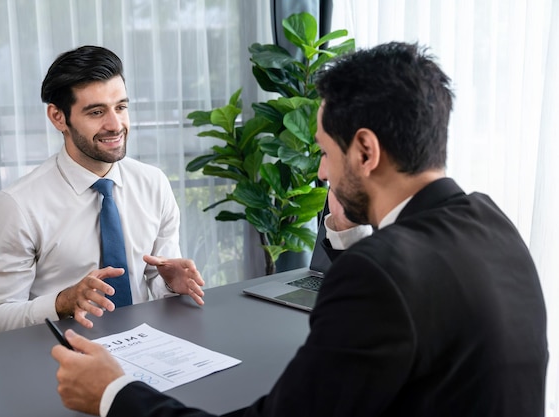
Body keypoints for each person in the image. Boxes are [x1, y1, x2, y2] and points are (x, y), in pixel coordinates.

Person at [51, 42, 548, 416]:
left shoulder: (381, 277)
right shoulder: (490, 222)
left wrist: (113, 393)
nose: (322, 175)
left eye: (326, 155)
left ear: (366, 151)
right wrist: (349, 231)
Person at [0, 45, 205, 334]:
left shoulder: (153, 184)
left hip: (143, 348)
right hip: (59, 357)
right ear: (58, 117)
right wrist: (62, 303)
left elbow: (155, 282)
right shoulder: (17, 205)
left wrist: (171, 283)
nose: (115, 125)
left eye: (121, 107)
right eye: (97, 112)